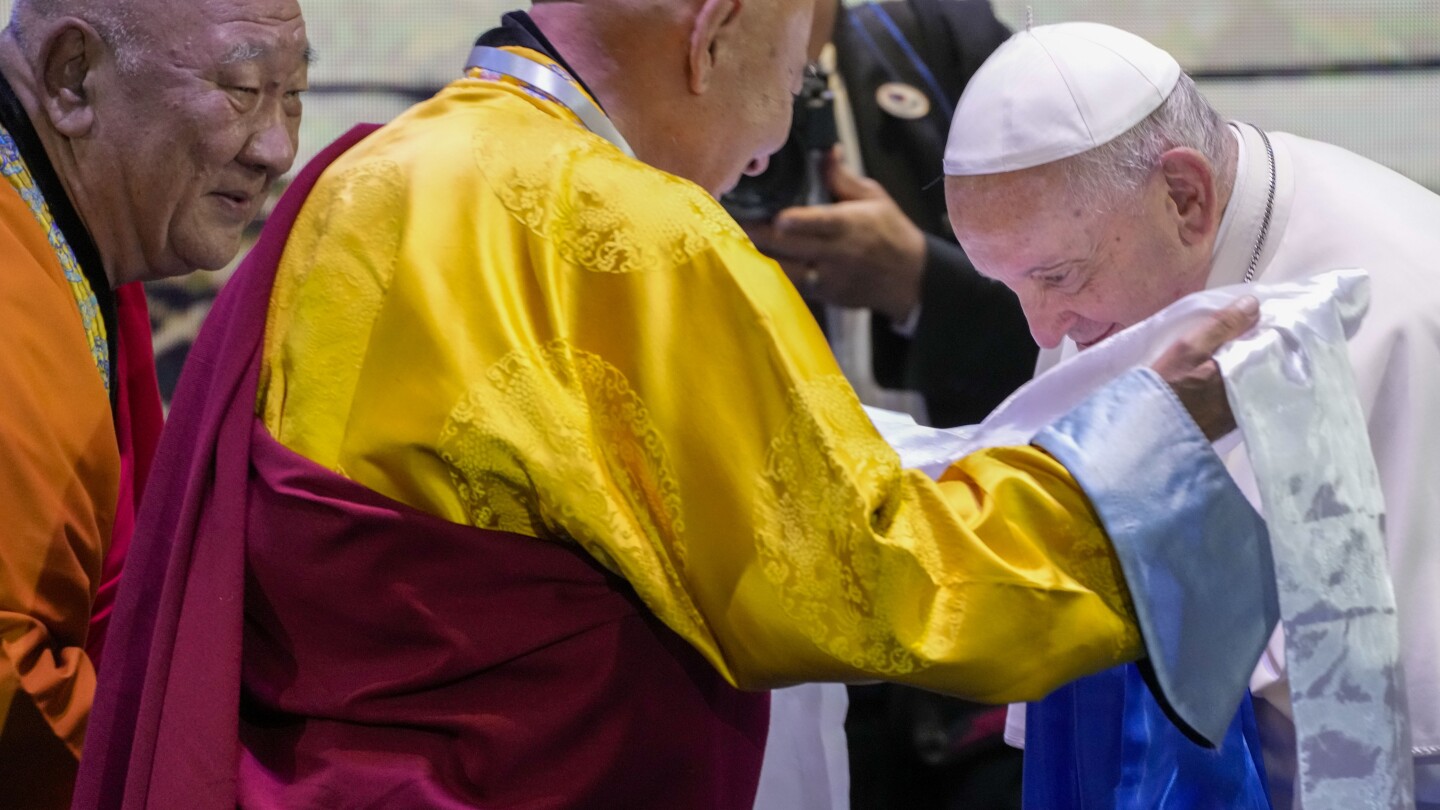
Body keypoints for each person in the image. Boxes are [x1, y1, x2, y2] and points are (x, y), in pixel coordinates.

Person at [78, 3, 1271, 808]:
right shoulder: (623, 232)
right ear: (715, 27)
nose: (771, 145)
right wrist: (1140, 444)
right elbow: (880, 585)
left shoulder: (374, 173)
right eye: (797, 77)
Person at [943, 21, 1440, 808]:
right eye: (1012, 288)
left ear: (1185, 196)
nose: (1043, 332)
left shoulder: (1405, 300)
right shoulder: (1122, 263)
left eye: (1055, 276)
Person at [0, 0, 308, 805]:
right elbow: (9, 677)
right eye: (241, 90)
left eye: (295, 94)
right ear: (74, 77)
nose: (277, 149)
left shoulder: (74, 233)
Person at [746, 2, 1033, 805]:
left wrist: (922, 286)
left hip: (966, 592)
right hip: (761, 610)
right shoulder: (648, 80)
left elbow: (1104, 317)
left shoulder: (945, 42)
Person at [748, 0, 1035, 429]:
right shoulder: (650, 90)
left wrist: (921, 282)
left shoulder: (947, 47)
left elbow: (1092, 335)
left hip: (964, 477)